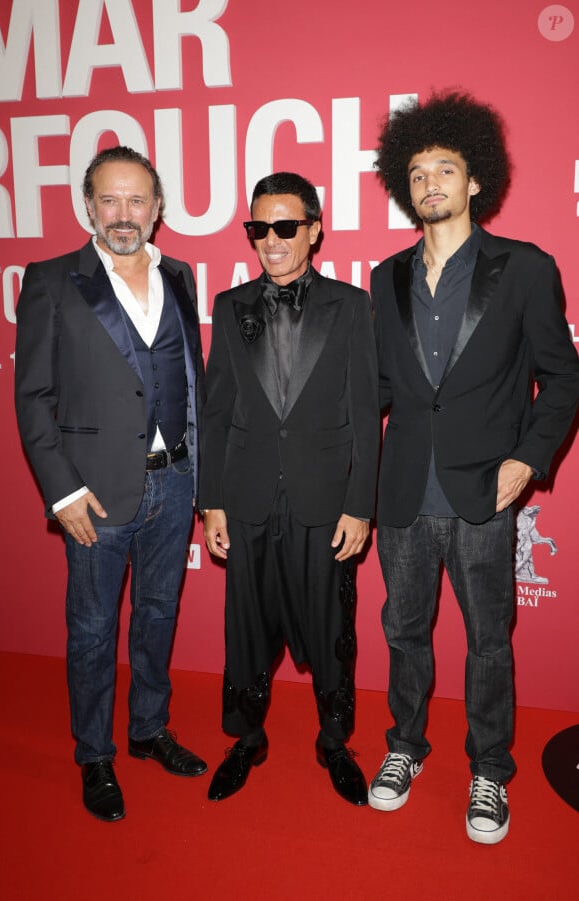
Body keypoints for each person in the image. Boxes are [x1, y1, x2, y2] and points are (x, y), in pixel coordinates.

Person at [368, 92, 579, 844]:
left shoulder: (523, 268)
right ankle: (405, 746)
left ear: (474, 180)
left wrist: (527, 459)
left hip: (484, 496)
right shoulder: (383, 277)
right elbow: (382, 393)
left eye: (444, 169)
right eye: (417, 172)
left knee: (490, 638)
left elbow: (563, 378)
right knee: (403, 631)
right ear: (404, 183)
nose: (430, 183)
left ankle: (489, 766)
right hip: (401, 493)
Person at [15, 146, 207, 822]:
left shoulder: (180, 274)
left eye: (137, 200)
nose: (124, 214)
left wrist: (201, 478)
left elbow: (191, 382)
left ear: (158, 209)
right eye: (109, 200)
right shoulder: (49, 279)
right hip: (93, 492)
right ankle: (95, 753)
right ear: (88, 206)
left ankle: (149, 729)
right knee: (92, 628)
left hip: (175, 483)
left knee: (159, 616)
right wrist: (62, 491)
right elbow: (33, 394)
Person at [200, 172, 379, 805]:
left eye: (285, 227)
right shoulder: (229, 305)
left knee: (332, 628)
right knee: (243, 628)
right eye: (258, 229)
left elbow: (365, 415)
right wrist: (212, 499)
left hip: (323, 500)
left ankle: (334, 742)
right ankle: (246, 739)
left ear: (314, 229)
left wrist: (361, 506)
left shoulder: (352, 307)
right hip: (246, 499)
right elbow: (215, 410)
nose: (270, 242)